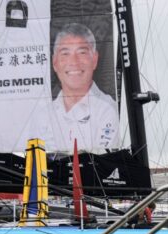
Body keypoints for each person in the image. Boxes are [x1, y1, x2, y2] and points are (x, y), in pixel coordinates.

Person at [50, 23, 119, 151]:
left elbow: (104, 160)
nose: (74, 62)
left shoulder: (107, 110)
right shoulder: (44, 114)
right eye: (65, 53)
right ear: (54, 62)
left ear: (95, 59)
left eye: (82, 52)